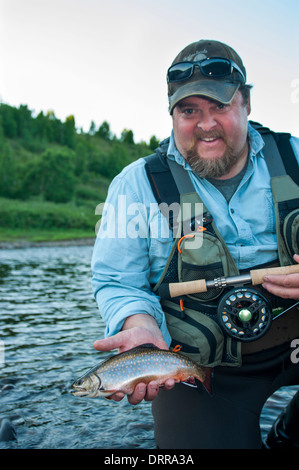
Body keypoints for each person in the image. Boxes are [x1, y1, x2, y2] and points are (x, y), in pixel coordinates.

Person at [91, 39, 299, 449]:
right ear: (173, 115)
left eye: (219, 107)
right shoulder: (135, 185)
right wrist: (140, 326)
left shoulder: (294, 156)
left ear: (246, 103)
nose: (206, 125)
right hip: (198, 365)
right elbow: (118, 282)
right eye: (190, 111)